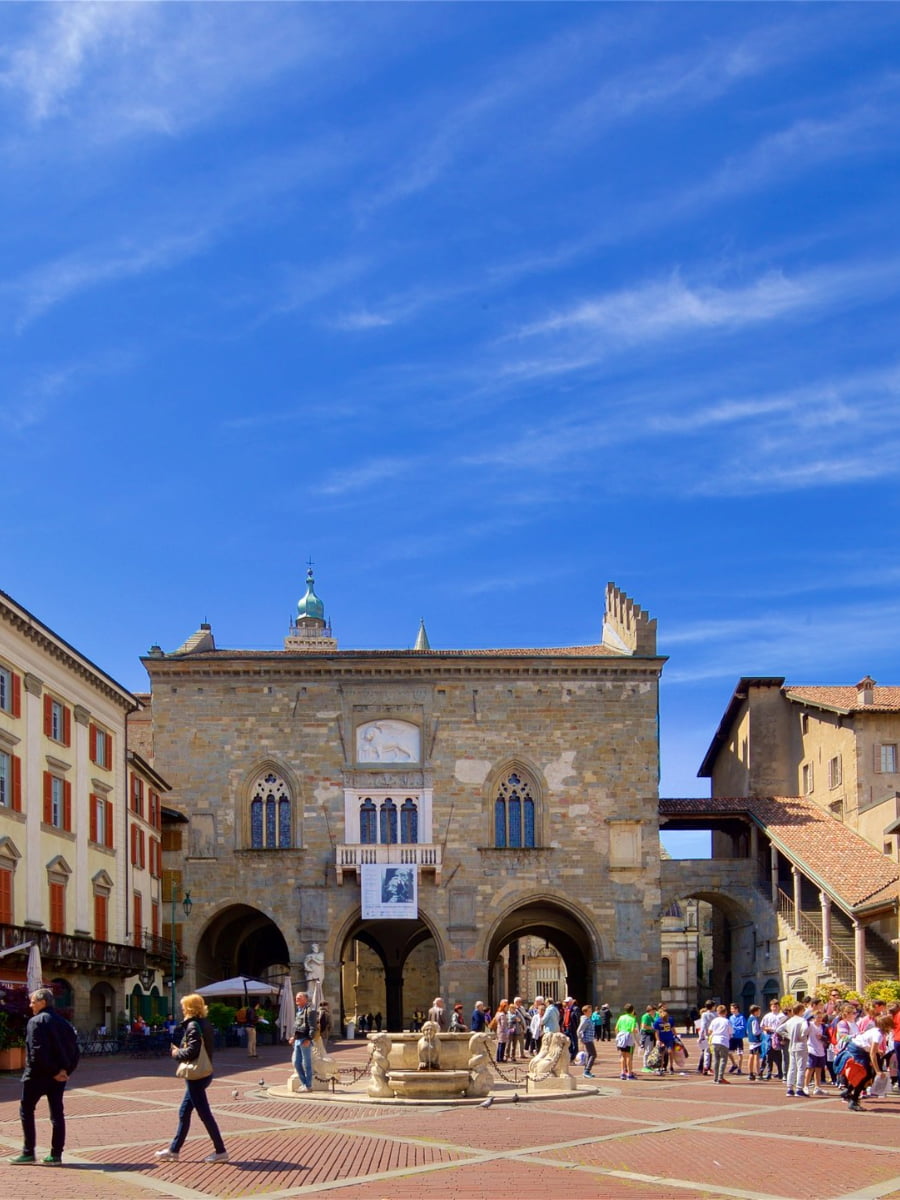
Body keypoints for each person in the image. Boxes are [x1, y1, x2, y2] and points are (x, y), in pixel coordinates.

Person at [9, 987, 79, 1167]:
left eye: (33, 1001)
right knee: (57, 1113)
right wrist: (65, 1071)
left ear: (42, 1002)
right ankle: (56, 1155)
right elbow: (75, 1051)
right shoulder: (64, 1023)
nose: (30, 1004)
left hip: (38, 1075)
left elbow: (36, 1052)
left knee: (26, 1109)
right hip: (58, 1077)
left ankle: (28, 1152)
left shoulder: (36, 1022)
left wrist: (54, 1071)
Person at [155, 993, 228, 1162]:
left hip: (196, 1075)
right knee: (184, 1112)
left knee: (204, 1114)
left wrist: (176, 1053)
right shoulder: (204, 1023)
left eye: (183, 1007)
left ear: (189, 1008)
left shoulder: (193, 1025)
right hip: (204, 1072)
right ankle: (174, 1150)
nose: (181, 1010)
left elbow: (192, 1051)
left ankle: (221, 1151)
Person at [290, 990, 316, 1092]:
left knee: (307, 1063)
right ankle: (304, 1083)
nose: (297, 999)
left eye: (299, 997)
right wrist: (293, 1037)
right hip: (298, 1040)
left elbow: (313, 1027)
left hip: (305, 1040)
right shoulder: (299, 1010)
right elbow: (298, 1027)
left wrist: (309, 1039)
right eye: (296, 997)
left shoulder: (310, 1010)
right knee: (296, 1063)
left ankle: (308, 1085)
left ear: (305, 999)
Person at [783, 1002, 809, 1096]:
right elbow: (805, 1029)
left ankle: (789, 1088)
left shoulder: (790, 1021)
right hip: (801, 1046)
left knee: (792, 1067)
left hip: (792, 1046)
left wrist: (788, 1035)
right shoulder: (802, 1020)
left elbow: (779, 1030)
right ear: (801, 1010)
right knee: (801, 1068)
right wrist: (802, 1035)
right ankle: (799, 1088)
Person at [708, 1005, 732, 1084]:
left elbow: (709, 1031)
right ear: (725, 1012)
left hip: (715, 1040)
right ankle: (720, 1077)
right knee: (723, 1060)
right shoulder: (727, 1021)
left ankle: (715, 1077)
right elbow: (730, 1032)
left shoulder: (714, 1020)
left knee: (716, 1059)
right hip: (723, 1041)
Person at [615, 1004, 638, 1080]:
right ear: (632, 1010)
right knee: (629, 1056)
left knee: (622, 1056)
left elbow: (616, 1028)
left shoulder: (621, 1017)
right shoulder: (632, 1018)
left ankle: (622, 1073)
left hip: (621, 1036)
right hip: (628, 1037)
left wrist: (618, 1036)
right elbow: (632, 1030)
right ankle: (629, 1074)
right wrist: (636, 1031)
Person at [577, 1004, 597, 1078]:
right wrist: (581, 1039)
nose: (591, 1012)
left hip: (590, 1039)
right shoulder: (585, 1019)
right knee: (593, 1054)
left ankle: (586, 1071)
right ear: (585, 1012)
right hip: (587, 1040)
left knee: (589, 1055)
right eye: (589, 1011)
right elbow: (579, 1030)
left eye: (591, 1011)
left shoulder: (588, 1019)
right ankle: (587, 1070)